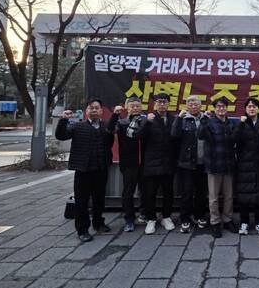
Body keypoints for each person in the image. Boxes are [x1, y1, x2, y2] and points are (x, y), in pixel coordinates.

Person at [56, 98, 114, 243]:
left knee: (99, 199)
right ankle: (82, 230)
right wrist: (63, 120)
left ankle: (98, 223)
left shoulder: (106, 126)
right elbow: (61, 135)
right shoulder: (77, 126)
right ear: (86, 111)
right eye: (91, 108)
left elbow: (110, 142)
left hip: (101, 168)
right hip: (83, 170)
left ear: (101, 111)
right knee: (81, 201)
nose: (94, 110)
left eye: (96, 108)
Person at [138, 93, 177, 235]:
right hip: (151, 163)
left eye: (164, 102)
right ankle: (151, 219)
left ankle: (166, 217)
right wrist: (147, 122)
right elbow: (139, 136)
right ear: (154, 104)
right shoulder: (149, 119)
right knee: (150, 194)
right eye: (159, 102)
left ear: (168, 104)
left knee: (168, 193)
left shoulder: (173, 119)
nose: (162, 104)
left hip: (168, 162)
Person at [198, 97, 236, 238]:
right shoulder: (209, 123)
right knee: (213, 197)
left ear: (227, 108)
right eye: (218, 106)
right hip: (214, 165)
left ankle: (227, 219)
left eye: (223, 106)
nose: (221, 109)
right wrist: (203, 120)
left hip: (228, 164)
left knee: (229, 196)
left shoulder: (231, 123)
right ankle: (215, 222)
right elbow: (200, 135)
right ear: (214, 109)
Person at [232, 97, 259, 236]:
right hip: (244, 164)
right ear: (245, 109)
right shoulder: (241, 123)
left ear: (258, 108)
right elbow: (233, 139)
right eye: (249, 106)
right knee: (243, 194)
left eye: (254, 106)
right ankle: (244, 222)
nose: (252, 108)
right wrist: (240, 124)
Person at [171, 96, 209, 233]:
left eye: (196, 104)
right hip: (186, 163)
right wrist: (178, 118)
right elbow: (174, 135)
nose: (193, 106)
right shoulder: (182, 119)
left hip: (203, 163)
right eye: (190, 104)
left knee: (201, 193)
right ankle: (185, 218)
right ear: (187, 106)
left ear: (200, 106)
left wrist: (207, 119)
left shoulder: (205, 118)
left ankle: (200, 216)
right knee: (186, 193)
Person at [108, 97, 146, 233]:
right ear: (127, 108)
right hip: (129, 163)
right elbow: (110, 129)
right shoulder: (122, 122)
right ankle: (129, 219)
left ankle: (144, 214)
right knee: (128, 192)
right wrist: (115, 115)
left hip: (146, 162)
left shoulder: (146, 121)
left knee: (146, 191)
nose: (135, 108)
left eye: (137, 106)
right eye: (132, 106)